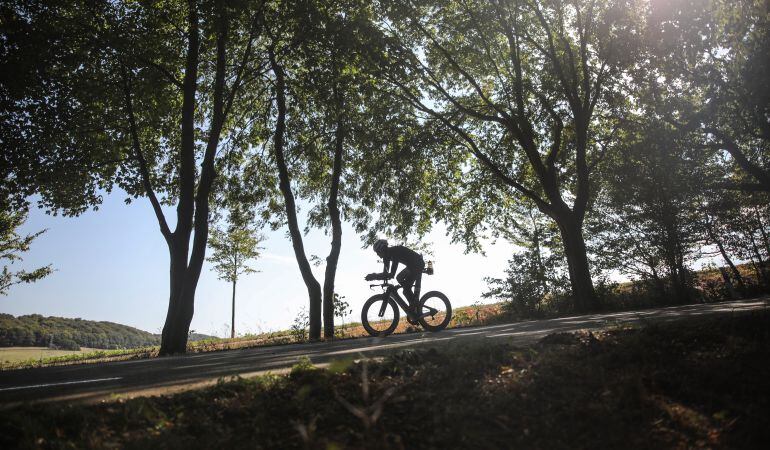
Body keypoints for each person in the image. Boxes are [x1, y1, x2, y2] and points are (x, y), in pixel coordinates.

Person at [365, 239, 425, 310]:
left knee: (406, 289)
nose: (377, 254)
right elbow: (385, 274)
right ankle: (413, 302)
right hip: (411, 266)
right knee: (399, 279)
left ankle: (414, 303)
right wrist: (374, 276)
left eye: (378, 252)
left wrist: (374, 276)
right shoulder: (386, 257)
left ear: (383, 249)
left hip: (418, 264)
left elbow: (391, 275)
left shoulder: (395, 252)